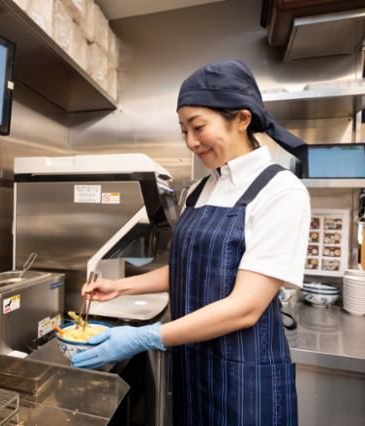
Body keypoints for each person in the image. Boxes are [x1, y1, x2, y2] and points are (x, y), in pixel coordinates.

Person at [72, 59, 310, 426]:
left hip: (244, 379)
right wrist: (120, 286)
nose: (190, 142)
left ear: (242, 119)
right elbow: (190, 269)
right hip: (192, 366)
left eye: (198, 127)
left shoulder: (281, 191)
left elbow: (246, 307)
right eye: (183, 130)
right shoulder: (200, 190)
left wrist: (144, 337)